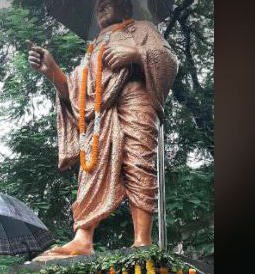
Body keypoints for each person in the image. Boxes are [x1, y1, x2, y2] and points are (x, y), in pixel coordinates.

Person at [27, 0, 178, 259]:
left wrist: (136, 54)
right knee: (91, 165)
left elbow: (169, 60)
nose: (101, 6)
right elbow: (77, 94)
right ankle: (82, 237)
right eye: (98, 4)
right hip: (98, 116)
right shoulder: (93, 46)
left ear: (126, 7)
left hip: (135, 100)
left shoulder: (141, 29)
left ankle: (142, 240)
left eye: (109, 2)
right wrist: (52, 71)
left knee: (138, 163)